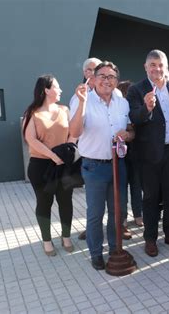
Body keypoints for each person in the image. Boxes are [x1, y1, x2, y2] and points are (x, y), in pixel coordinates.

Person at [69, 61, 134, 270]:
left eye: (111, 77)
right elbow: (75, 132)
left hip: (118, 165)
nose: (107, 80)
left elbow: (131, 130)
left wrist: (128, 135)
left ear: (116, 81)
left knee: (118, 211)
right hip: (94, 167)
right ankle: (96, 253)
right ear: (94, 79)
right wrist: (81, 104)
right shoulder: (82, 99)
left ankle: (116, 248)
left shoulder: (122, 102)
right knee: (95, 213)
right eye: (102, 76)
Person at [127, 49, 169, 257]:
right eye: (152, 65)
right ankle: (150, 238)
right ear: (146, 67)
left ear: (166, 66)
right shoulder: (137, 90)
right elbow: (135, 118)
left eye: (160, 64)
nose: (157, 68)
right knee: (151, 198)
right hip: (149, 155)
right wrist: (146, 108)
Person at [22, 75, 76, 256]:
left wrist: (66, 152)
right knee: (44, 203)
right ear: (46, 90)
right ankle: (47, 240)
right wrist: (53, 155)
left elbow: (73, 134)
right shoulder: (33, 113)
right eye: (57, 87)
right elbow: (30, 139)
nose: (60, 90)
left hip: (63, 165)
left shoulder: (64, 110)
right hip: (41, 166)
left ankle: (66, 236)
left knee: (66, 202)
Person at [69, 57, 101, 241]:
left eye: (97, 69)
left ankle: (120, 226)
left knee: (116, 198)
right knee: (93, 201)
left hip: (112, 156)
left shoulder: (113, 94)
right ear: (84, 73)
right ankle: (92, 230)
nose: (93, 73)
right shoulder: (78, 97)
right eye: (90, 70)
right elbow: (74, 128)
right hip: (90, 157)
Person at [118, 80, 144, 228]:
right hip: (121, 154)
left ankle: (138, 214)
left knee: (136, 185)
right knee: (122, 187)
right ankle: (122, 217)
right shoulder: (118, 109)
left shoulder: (136, 108)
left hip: (136, 152)